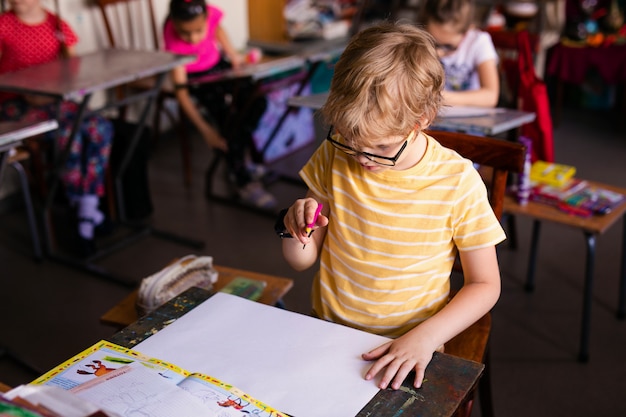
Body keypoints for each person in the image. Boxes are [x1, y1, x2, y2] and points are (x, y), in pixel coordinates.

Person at [277, 22, 504, 391]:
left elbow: (485, 284)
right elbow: (301, 260)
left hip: (409, 347)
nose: (362, 157)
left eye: (381, 148)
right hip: (327, 330)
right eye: (350, 139)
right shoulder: (334, 157)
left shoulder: (457, 182)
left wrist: (426, 338)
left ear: (421, 121)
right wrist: (293, 226)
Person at [0, 0, 113, 252]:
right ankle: (82, 213)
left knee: (100, 127)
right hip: (17, 102)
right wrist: (28, 93)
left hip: (55, 98)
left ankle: (88, 204)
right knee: (68, 135)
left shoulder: (57, 24)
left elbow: (71, 68)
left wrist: (54, 91)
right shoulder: (3, 26)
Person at [164, 0, 276, 209]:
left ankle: (240, 157)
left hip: (218, 66)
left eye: (198, 30)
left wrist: (232, 54)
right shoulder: (174, 43)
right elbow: (181, 93)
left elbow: (218, 28)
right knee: (227, 123)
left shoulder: (210, 16)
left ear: (206, 18)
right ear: (175, 24)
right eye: (185, 33)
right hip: (196, 78)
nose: (193, 39)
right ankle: (241, 178)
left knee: (256, 100)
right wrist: (206, 130)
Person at [418, 0, 500, 107]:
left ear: (468, 31)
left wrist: (439, 97)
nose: (438, 53)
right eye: (433, 43)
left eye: (448, 46)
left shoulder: (479, 42)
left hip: (470, 115)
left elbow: (490, 97)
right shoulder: (418, 40)